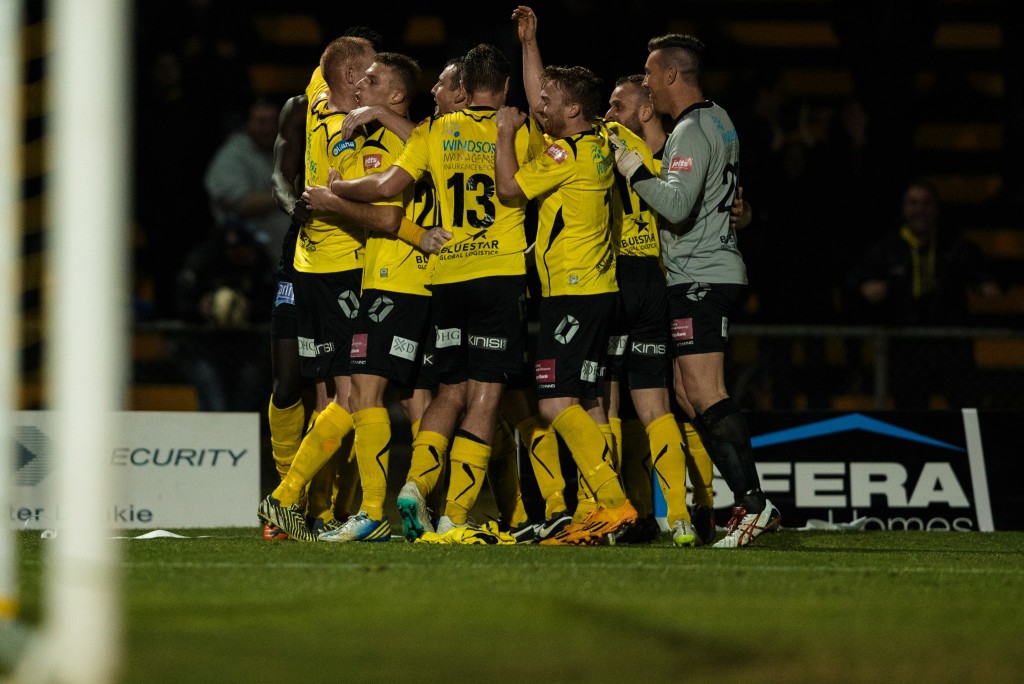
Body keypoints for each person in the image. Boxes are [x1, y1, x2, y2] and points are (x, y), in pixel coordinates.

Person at [326, 43, 547, 544]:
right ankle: (454, 515)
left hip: (447, 276)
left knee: (449, 392)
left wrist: (338, 190)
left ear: (463, 87)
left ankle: (413, 484)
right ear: (505, 88)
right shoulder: (520, 128)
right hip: (498, 274)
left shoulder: (433, 130)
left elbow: (385, 186)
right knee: (487, 396)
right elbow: (541, 116)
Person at [609, 33, 779, 548]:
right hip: (710, 268)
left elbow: (678, 206)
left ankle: (754, 504)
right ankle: (743, 503)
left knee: (705, 391)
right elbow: (723, 198)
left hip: (702, 274)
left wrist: (634, 170)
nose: (645, 83)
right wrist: (740, 217)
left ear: (671, 76)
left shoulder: (689, 130)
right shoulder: (721, 119)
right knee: (686, 392)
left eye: (649, 73)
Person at [494, 25, 641, 545]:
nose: (540, 109)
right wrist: (530, 45)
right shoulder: (600, 137)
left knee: (555, 402)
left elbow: (511, 190)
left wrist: (505, 135)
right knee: (592, 402)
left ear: (573, 111)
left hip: (573, 294)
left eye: (550, 103)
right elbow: (546, 96)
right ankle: (592, 512)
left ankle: (614, 502)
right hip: (599, 291)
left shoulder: (566, 154)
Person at [301, 52, 452, 542]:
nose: (360, 85)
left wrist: (333, 198)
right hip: (430, 280)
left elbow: (387, 211)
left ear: (395, 95)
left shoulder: (394, 138)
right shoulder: (427, 137)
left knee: (365, 392)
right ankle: (427, 504)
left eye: (373, 80)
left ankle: (369, 510)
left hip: (395, 281)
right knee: (420, 398)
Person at [262, 26, 385, 541]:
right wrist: (304, 210)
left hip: (342, 266)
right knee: (308, 385)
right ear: (353, 77)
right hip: (314, 261)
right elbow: (280, 176)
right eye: (373, 71)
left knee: (339, 390)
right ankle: (291, 498)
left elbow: (335, 65)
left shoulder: (340, 102)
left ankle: (325, 507)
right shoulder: (312, 107)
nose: (380, 77)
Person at [846, 178, 1002, 409]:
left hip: (950, 344)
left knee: (965, 410)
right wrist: (863, 288)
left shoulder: (955, 246)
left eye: (926, 204)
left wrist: (987, 285)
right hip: (907, 346)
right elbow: (853, 281)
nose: (920, 210)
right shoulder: (887, 247)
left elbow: (988, 277)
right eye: (913, 203)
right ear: (903, 208)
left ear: (937, 209)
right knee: (911, 414)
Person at [171, 222, 275, 412]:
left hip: (246, 349)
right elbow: (179, 304)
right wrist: (199, 309)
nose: (249, 253)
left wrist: (250, 309)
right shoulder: (202, 261)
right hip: (204, 347)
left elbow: (275, 303)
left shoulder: (260, 261)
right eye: (244, 249)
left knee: (245, 404)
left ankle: (243, 437)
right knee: (215, 404)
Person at [204, 97, 292, 267]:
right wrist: (292, 194)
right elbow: (241, 203)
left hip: (284, 261)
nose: (268, 128)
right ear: (247, 124)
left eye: (273, 121)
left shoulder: (287, 149)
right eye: (261, 121)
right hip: (244, 263)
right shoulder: (232, 154)